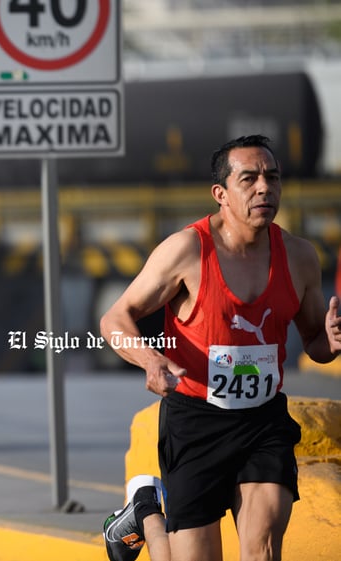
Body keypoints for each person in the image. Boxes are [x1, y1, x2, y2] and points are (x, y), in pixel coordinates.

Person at [99, 135, 341, 561]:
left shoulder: (300, 257)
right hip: (195, 422)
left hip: (263, 422)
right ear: (221, 194)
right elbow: (114, 318)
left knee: (262, 551)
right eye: (249, 178)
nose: (264, 188)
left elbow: (316, 344)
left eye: (273, 177)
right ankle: (146, 512)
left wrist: (332, 341)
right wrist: (151, 360)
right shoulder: (187, 250)